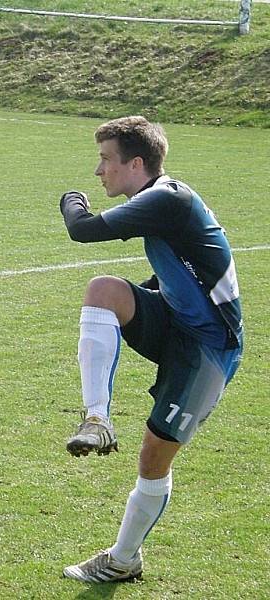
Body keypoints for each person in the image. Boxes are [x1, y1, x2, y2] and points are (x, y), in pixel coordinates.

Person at [58, 116, 243, 582]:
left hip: (207, 348)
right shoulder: (162, 201)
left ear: (135, 163)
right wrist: (137, 304)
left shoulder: (165, 198)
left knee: (153, 456)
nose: (99, 171)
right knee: (104, 290)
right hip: (176, 319)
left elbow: (82, 229)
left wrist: (70, 201)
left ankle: (123, 559)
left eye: (105, 159)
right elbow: (185, 268)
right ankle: (96, 420)